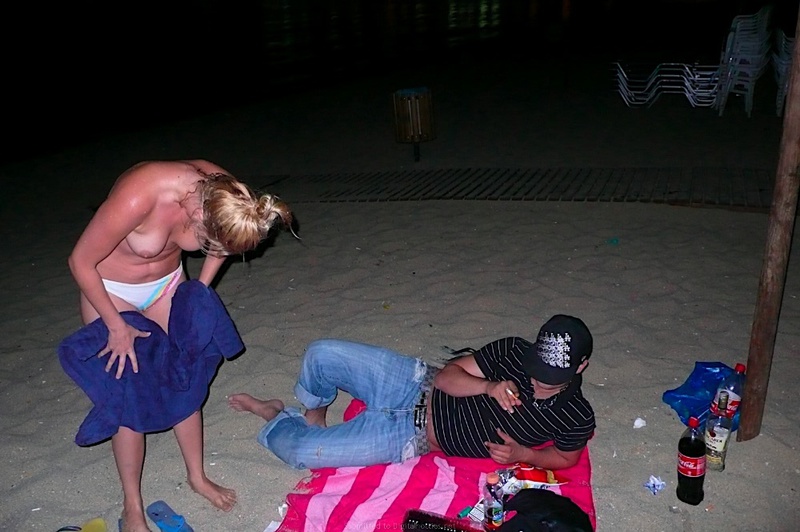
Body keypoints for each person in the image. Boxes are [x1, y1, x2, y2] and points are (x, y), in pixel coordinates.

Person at [67, 159, 293, 532]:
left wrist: (198, 290)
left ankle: (196, 476)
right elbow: (80, 262)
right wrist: (116, 326)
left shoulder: (224, 193)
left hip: (166, 287)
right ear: (200, 214)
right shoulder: (140, 194)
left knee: (183, 378)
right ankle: (132, 505)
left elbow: (223, 242)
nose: (214, 251)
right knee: (130, 395)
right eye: (208, 242)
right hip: (111, 291)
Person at [229, 314, 595, 471]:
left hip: (408, 436)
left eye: (551, 378)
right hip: (413, 383)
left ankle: (275, 414)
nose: (538, 381)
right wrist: (488, 386)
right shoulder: (514, 351)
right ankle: (315, 416)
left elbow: (566, 459)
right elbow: (447, 377)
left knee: (300, 452)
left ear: (581, 366)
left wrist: (524, 454)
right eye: (536, 370)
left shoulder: (576, 415)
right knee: (321, 353)